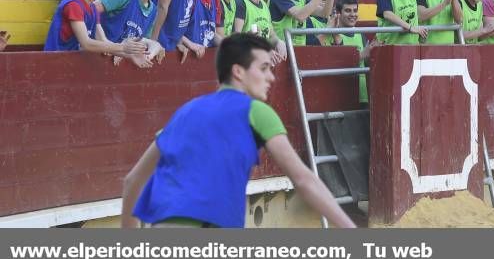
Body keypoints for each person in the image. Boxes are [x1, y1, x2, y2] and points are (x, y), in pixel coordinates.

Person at [120, 33, 356, 228]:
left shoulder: (185, 112)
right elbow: (304, 180)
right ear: (238, 72)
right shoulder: (256, 111)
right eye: (263, 68)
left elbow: (132, 182)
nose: (271, 77)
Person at [44, 0, 150, 66]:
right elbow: (86, 43)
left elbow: (103, 41)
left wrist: (130, 55)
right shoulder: (73, 5)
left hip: (69, 64)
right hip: (54, 62)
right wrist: (123, 47)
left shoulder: (93, 9)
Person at [95, 0, 166, 63]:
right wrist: (106, 43)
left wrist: (153, 49)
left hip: (117, 63)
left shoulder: (153, 11)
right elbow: (88, 10)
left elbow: (141, 41)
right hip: (96, 54)